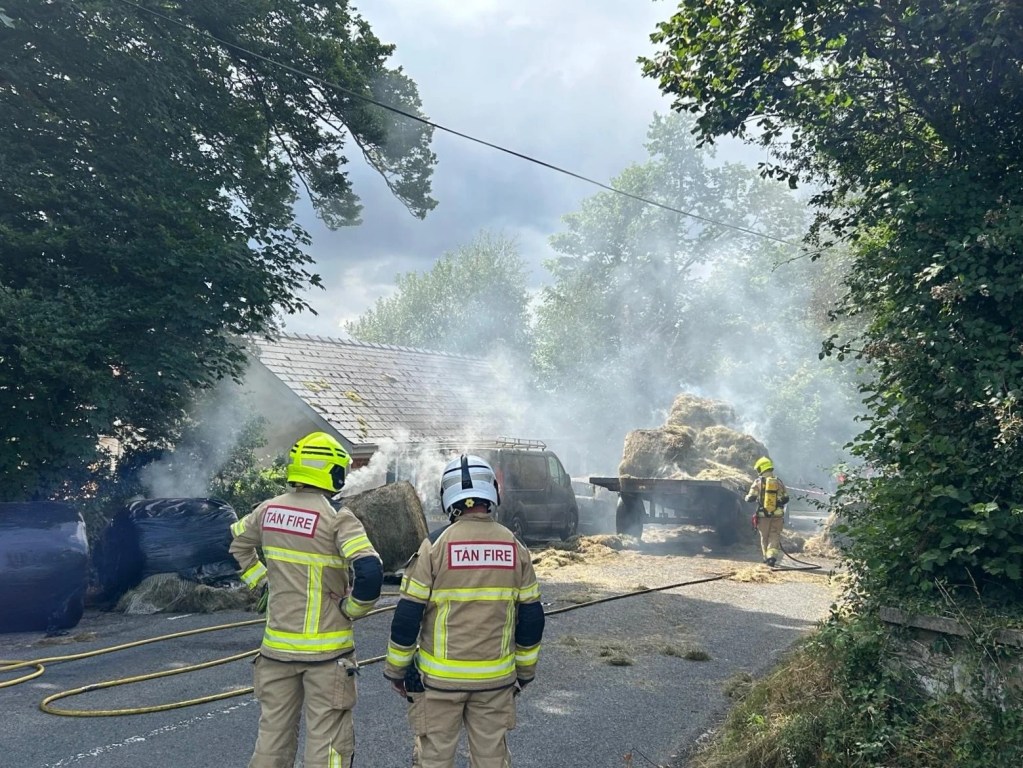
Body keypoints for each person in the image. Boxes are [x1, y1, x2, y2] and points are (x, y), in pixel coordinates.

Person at [230, 431, 383, 768]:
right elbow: (370, 572)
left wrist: (263, 581)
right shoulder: (337, 517)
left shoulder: (268, 510)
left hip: (276, 652)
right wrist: (350, 609)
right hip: (327, 655)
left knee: (272, 738)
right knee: (327, 742)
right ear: (334, 472)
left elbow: (237, 544)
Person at [383, 454, 545, 768]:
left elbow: (407, 616)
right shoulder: (515, 547)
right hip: (495, 683)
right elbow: (532, 619)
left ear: (448, 497)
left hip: (439, 683)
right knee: (491, 760)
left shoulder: (434, 546)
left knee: (434, 759)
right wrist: (523, 674)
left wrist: (396, 669)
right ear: (493, 494)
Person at [745, 456, 790, 567]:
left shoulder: (758, 482)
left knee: (764, 537)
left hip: (762, 515)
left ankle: (766, 558)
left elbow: (750, 498)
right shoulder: (779, 482)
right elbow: (786, 498)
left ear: (761, 468)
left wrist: (747, 497)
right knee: (774, 536)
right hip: (777, 515)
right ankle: (772, 557)